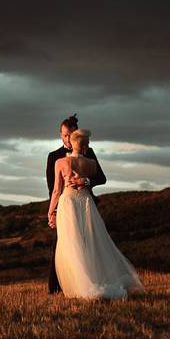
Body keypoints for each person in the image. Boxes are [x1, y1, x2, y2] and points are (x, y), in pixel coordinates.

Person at [47, 129, 146, 300]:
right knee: (92, 241)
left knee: (72, 244)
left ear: (71, 142)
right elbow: (96, 178)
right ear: (85, 146)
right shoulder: (91, 164)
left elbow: (56, 190)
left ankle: (80, 284)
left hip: (68, 203)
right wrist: (85, 181)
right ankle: (95, 278)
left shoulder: (60, 162)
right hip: (86, 203)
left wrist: (50, 211)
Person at [46, 114, 106, 294]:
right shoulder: (54, 157)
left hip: (85, 203)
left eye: (70, 135)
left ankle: (89, 281)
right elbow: (53, 188)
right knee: (62, 245)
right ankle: (55, 288)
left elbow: (101, 178)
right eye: (64, 135)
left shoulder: (89, 153)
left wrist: (86, 181)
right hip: (66, 204)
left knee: (89, 242)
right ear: (60, 134)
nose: (67, 139)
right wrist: (54, 211)